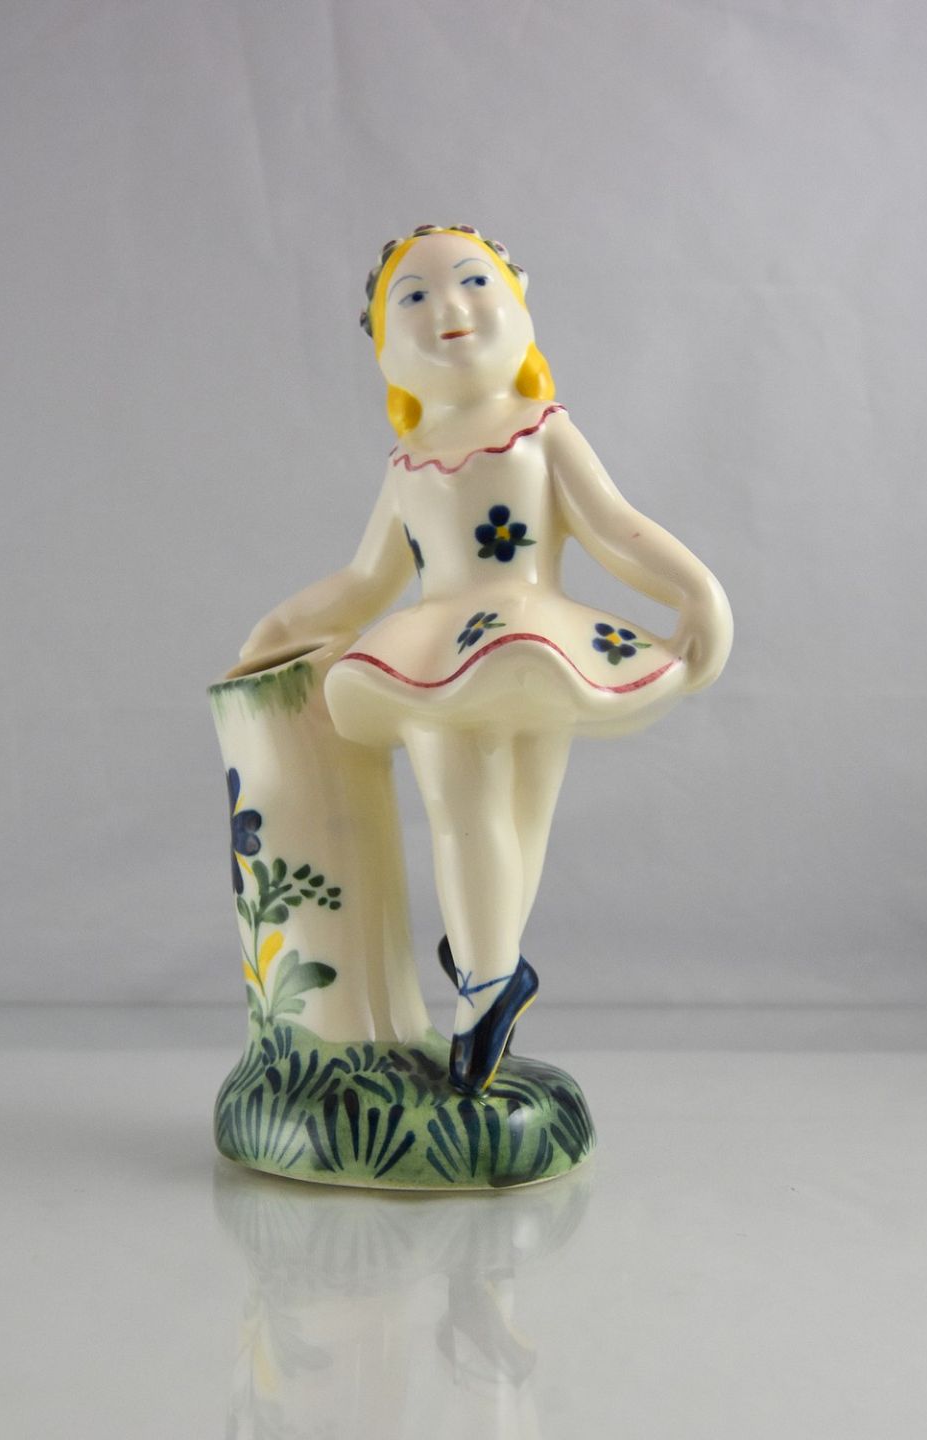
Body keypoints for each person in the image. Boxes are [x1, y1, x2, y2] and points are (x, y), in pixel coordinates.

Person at [239, 224, 733, 1095]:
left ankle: (491, 966)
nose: (449, 309)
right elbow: (365, 581)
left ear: (518, 307)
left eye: (473, 283)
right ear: (384, 348)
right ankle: (487, 976)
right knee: (461, 811)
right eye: (414, 297)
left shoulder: (541, 431)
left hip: (537, 634)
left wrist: (695, 591)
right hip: (435, 651)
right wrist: (275, 628)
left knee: (523, 813)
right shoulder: (409, 464)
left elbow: (614, 527)